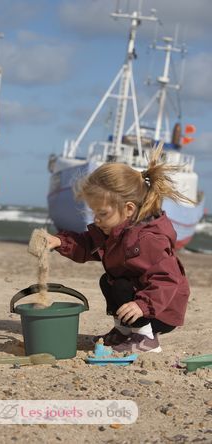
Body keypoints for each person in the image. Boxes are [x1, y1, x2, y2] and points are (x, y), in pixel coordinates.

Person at [46, 143, 193, 353]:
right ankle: (124, 332)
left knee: (121, 287)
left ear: (128, 209)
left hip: (161, 308)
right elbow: (88, 245)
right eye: (94, 212)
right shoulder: (115, 231)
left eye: (102, 213)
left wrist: (142, 306)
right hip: (141, 301)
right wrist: (60, 242)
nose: (96, 219)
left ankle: (146, 340)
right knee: (109, 281)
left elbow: (166, 279)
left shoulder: (148, 239)